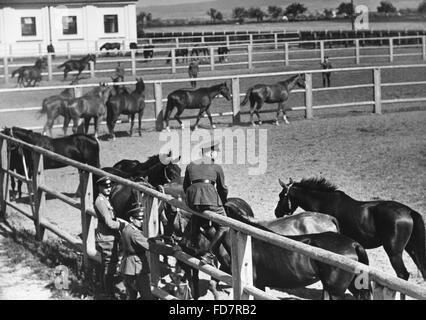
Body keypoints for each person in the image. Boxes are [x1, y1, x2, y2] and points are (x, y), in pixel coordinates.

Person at [183, 140, 229, 263]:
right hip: (208, 199)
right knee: (225, 226)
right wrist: (222, 202)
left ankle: (192, 241)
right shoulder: (216, 167)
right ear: (212, 153)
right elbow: (222, 189)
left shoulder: (190, 165)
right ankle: (209, 253)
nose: (217, 154)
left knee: (198, 214)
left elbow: (185, 186)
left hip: (192, 200)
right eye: (217, 152)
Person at [120, 207, 181, 300]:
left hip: (127, 267)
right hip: (137, 268)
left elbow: (139, 242)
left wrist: (152, 239)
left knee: (131, 295)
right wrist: (172, 250)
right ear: (131, 219)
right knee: (147, 296)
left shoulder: (126, 229)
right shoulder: (134, 233)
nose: (141, 221)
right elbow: (152, 247)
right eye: (138, 219)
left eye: (142, 219)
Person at [94, 176, 127, 299]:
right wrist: (123, 225)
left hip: (108, 237)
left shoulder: (105, 199)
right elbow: (109, 222)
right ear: (99, 187)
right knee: (110, 266)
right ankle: (109, 294)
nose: (108, 188)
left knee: (107, 265)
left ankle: (104, 289)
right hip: (106, 238)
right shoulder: (101, 201)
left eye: (109, 186)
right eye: (105, 186)